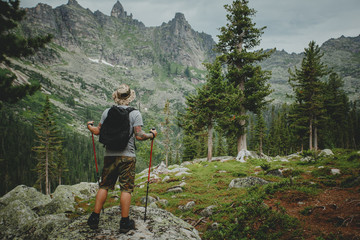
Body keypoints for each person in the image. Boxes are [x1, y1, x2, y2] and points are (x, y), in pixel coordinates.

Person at [86, 84, 157, 233]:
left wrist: (90, 127)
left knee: (104, 186)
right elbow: (139, 135)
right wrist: (152, 135)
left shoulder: (107, 112)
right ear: (130, 97)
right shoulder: (135, 114)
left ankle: (94, 217)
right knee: (126, 189)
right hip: (128, 156)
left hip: (110, 155)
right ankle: (124, 222)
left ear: (116, 97)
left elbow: (97, 131)